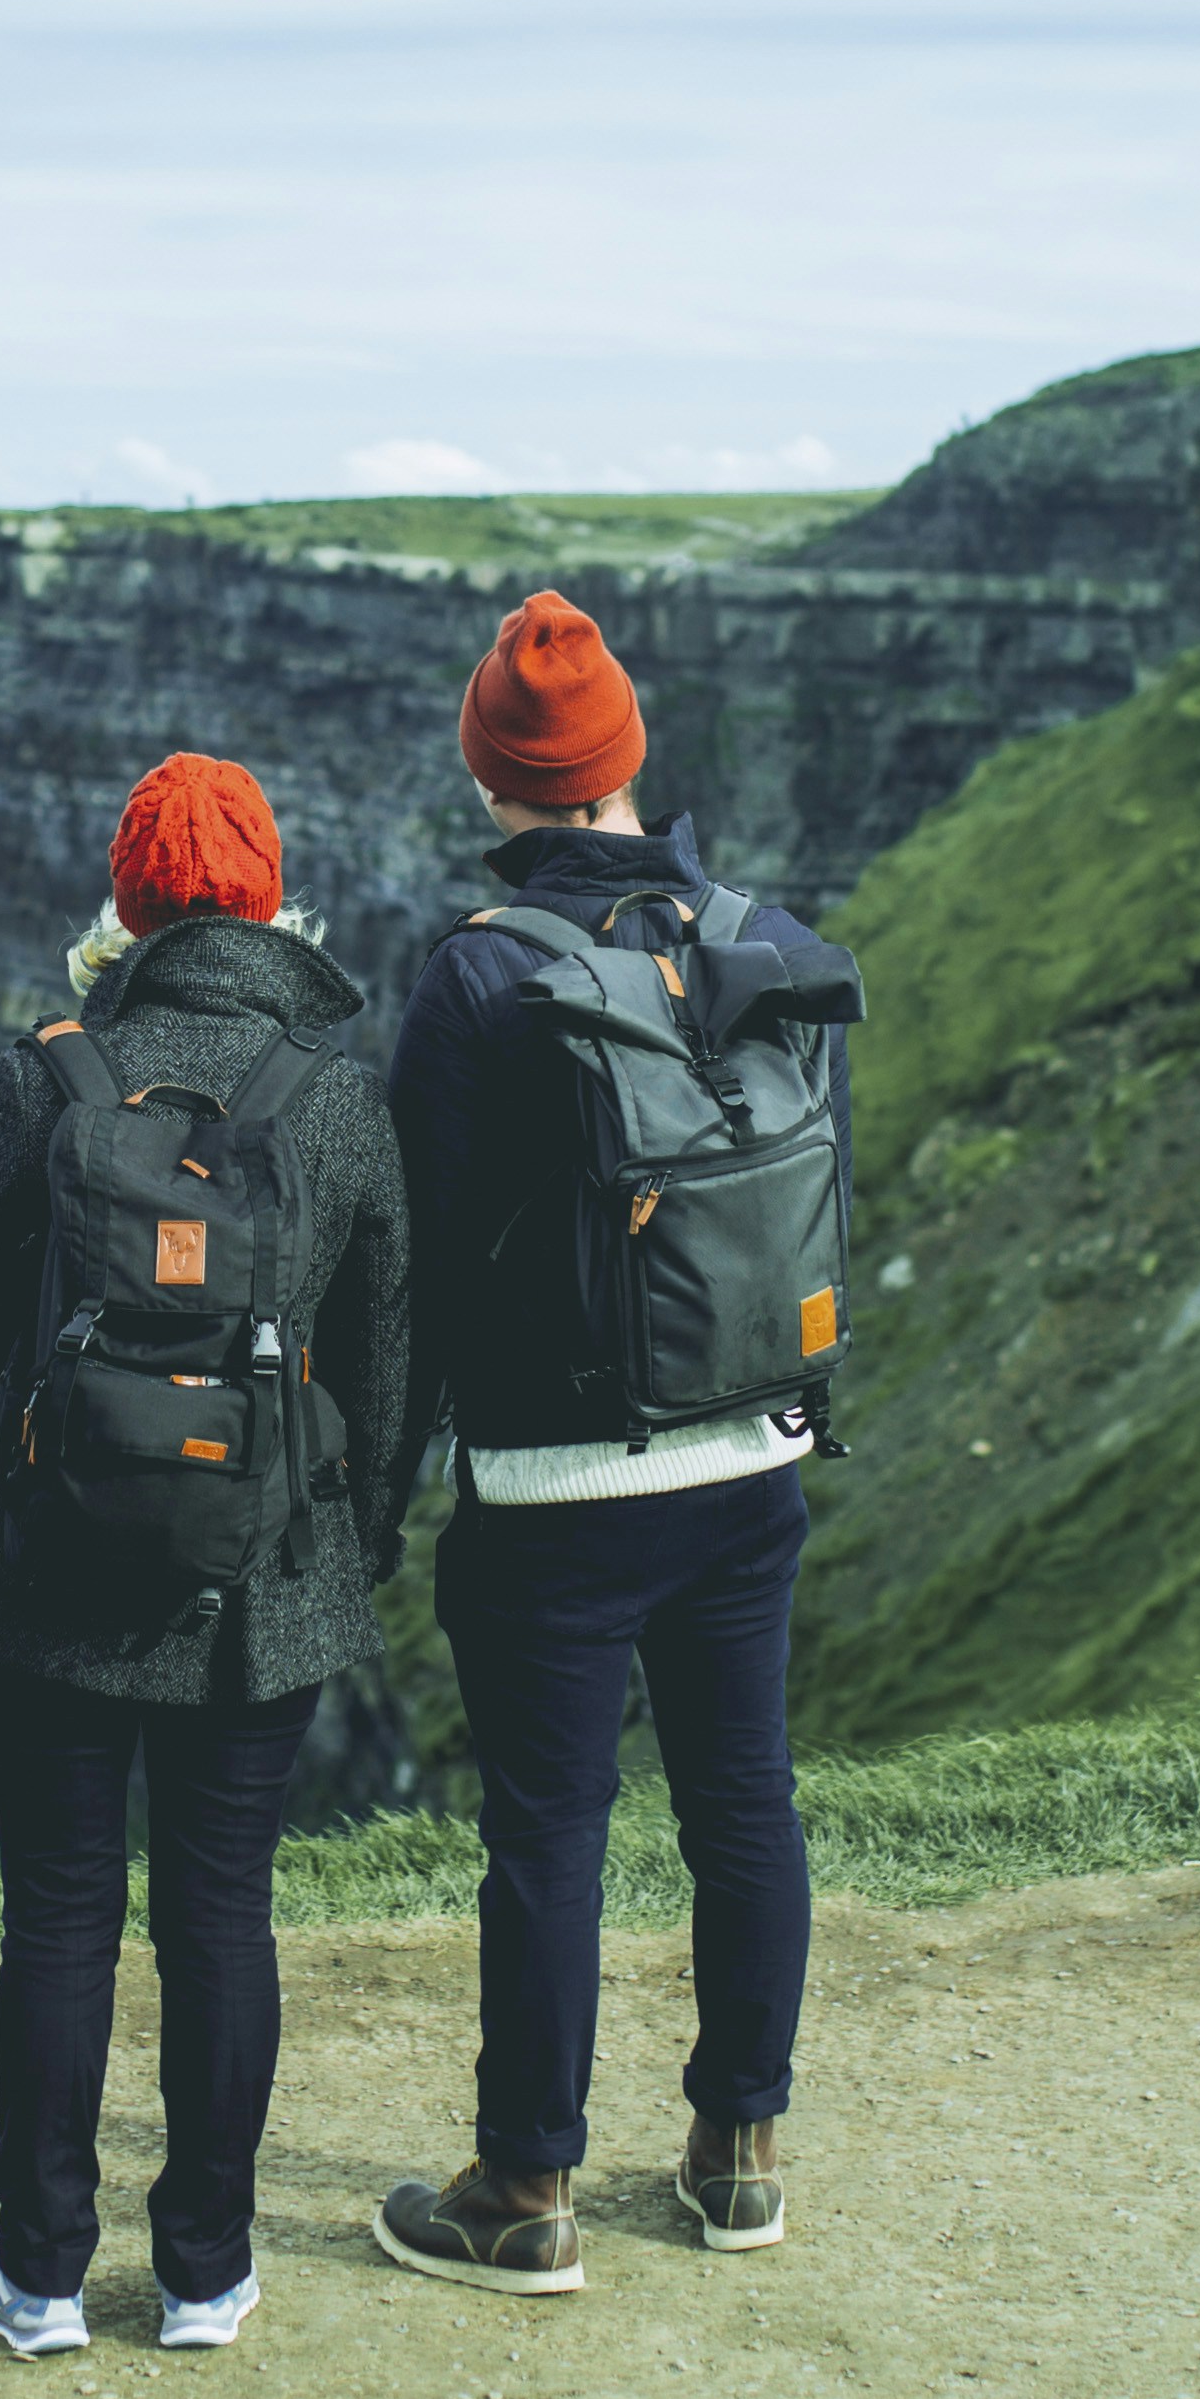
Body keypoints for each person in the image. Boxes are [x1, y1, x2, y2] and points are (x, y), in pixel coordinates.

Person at [0, 752, 413, 2360]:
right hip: (259, 1589)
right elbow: (389, 1358)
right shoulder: (333, 1100)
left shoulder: (43, 1079)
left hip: (46, 1574)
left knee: (59, 1915)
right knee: (220, 1912)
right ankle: (205, 2273)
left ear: (127, 905)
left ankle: (41, 2275)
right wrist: (358, 1539)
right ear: (268, 903)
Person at [370, 593, 845, 2293]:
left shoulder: (484, 976)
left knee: (549, 1837)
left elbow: (409, 1255)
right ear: (629, 759)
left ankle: (525, 2188)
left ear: (495, 778)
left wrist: (376, 1480)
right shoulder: (756, 937)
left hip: (560, 1488)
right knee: (745, 1805)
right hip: (750, 1457)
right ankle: (742, 2156)